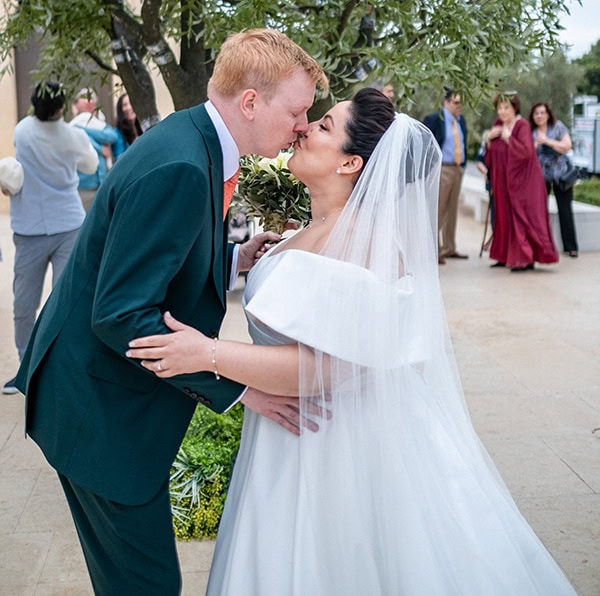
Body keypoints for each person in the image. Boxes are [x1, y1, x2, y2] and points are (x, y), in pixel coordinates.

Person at [128, 88, 575, 595]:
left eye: (323, 127)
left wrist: (207, 355)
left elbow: (329, 370)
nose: (305, 128)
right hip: (286, 437)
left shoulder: (371, 246)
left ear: (350, 164)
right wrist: (245, 261)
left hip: (337, 445)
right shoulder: (307, 228)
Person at [15, 29, 328, 595]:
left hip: (100, 400)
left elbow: (162, 258)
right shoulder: (183, 165)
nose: (304, 124)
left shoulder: (198, 140)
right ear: (251, 102)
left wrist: (233, 258)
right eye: (299, 110)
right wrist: (237, 386)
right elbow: (122, 315)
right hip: (100, 414)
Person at [3, 82, 98, 395]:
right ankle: (59, 369)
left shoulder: (22, 131)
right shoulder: (73, 135)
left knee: (24, 303)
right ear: (61, 107)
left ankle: (25, 370)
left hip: (29, 226)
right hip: (68, 224)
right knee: (65, 301)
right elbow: (91, 165)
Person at [485, 93, 558, 272]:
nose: (501, 112)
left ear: (514, 108)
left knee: (522, 217)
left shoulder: (522, 125)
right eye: (499, 108)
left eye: (505, 108)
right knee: (503, 217)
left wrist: (509, 138)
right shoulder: (497, 125)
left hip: (524, 181)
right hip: (503, 181)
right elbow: (492, 154)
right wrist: (488, 139)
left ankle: (525, 258)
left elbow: (526, 153)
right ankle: (504, 255)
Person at [423, 86, 468, 263]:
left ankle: (450, 247)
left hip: (457, 169)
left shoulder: (461, 120)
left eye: (461, 104)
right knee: (438, 210)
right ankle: (434, 250)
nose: (459, 107)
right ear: (446, 102)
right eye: (456, 103)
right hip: (442, 169)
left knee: (452, 210)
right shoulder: (435, 119)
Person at [529, 102, 579, 258]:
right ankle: (542, 246)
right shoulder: (531, 132)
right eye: (536, 113)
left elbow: (567, 146)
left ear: (548, 114)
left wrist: (548, 141)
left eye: (542, 113)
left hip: (561, 175)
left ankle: (570, 247)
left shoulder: (557, 127)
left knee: (565, 211)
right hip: (539, 177)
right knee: (539, 212)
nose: (539, 116)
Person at [69, 88, 117, 210]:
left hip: (102, 182)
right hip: (83, 184)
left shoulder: (99, 122)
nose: (89, 101)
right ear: (76, 104)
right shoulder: (72, 126)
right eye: (84, 97)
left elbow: (111, 136)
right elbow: (83, 141)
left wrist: (84, 130)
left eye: (92, 98)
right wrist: (100, 148)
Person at [112, 92, 142, 160]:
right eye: (125, 105)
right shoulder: (117, 133)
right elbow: (120, 158)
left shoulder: (144, 128)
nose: (129, 108)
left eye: (131, 103)